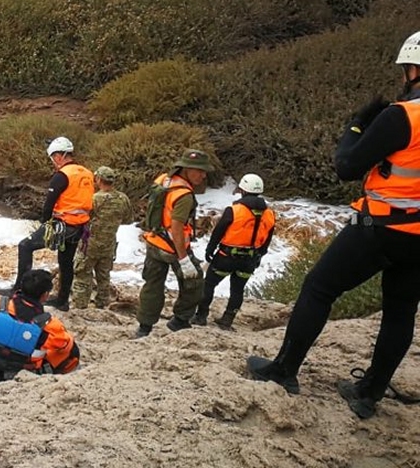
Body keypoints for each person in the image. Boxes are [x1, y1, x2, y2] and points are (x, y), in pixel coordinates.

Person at [248, 30, 420, 419]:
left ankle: (284, 371)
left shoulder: (403, 115)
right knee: (400, 311)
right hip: (419, 238)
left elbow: (347, 166)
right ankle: (369, 393)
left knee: (320, 287)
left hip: (379, 227)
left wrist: (358, 126)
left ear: (414, 69)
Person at [133, 149, 211, 339]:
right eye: (199, 171)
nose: (203, 175)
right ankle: (180, 321)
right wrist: (183, 259)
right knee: (194, 282)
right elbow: (176, 227)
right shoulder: (184, 195)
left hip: (154, 241)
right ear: (186, 169)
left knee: (152, 285)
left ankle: (144, 328)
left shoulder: (163, 181)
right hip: (173, 247)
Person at [14, 136, 93, 311]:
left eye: (52, 158)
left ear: (59, 155)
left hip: (62, 224)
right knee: (66, 262)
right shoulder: (87, 173)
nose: (53, 162)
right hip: (79, 226)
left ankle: (19, 290)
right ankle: (62, 301)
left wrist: (45, 224)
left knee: (25, 246)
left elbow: (48, 204)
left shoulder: (62, 176)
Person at [192, 173, 275, 330]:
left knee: (209, 284)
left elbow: (219, 231)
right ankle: (227, 321)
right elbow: (267, 240)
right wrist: (258, 257)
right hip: (249, 260)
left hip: (226, 257)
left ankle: (201, 317)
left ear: (242, 190)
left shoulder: (234, 210)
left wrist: (210, 249)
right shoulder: (269, 214)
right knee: (237, 290)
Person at [0, 269, 80, 386]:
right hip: (21, 375)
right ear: (45, 295)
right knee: (72, 352)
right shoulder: (50, 326)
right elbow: (65, 346)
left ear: (21, 287)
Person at [71, 166, 132, 310]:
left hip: (90, 243)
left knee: (82, 275)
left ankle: (80, 306)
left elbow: (83, 218)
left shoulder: (94, 198)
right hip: (109, 243)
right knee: (104, 276)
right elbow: (128, 219)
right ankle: (102, 305)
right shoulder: (123, 198)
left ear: (98, 179)